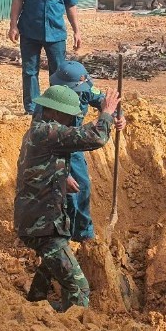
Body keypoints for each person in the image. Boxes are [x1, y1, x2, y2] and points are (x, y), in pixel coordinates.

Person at [14, 85, 121, 312]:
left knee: (51, 266)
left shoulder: (38, 131)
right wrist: (107, 113)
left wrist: (61, 176)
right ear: (54, 112)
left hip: (37, 221)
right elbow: (95, 137)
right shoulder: (47, 132)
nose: (72, 121)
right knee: (79, 288)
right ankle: (76, 323)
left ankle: (35, 307)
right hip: (42, 225)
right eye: (69, 116)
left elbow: (37, 167)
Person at [44, 61, 126, 242]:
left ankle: (83, 235)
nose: (80, 93)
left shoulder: (84, 90)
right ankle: (60, 236)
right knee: (65, 193)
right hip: (54, 150)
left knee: (82, 187)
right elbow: (42, 147)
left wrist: (117, 115)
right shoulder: (48, 106)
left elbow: (102, 101)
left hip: (74, 145)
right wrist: (62, 173)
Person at [8, 0, 81, 114]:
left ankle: (56, 107)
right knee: (30, 71)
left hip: (56, 32)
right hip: (30, 30)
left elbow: (70, 4)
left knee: (59, 72)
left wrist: (77, 31)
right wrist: (13, 24)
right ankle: (32, 108)